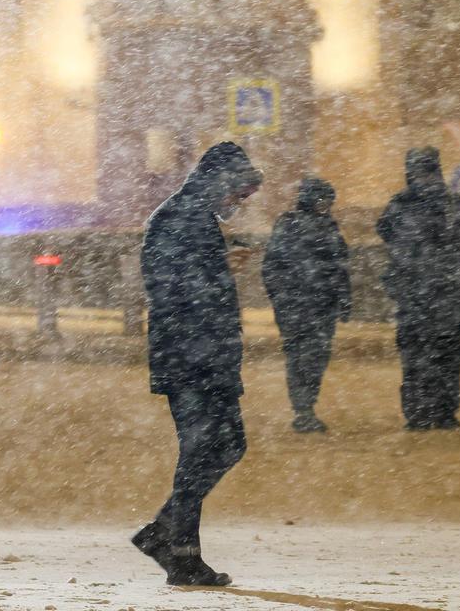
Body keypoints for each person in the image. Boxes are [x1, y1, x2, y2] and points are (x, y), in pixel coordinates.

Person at [131, 142, 263, 588]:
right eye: (236, 195)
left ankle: (164, 534)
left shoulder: (195, 216)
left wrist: (219, 267)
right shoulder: (178, 217)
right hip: (189, 355)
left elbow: (187, 278)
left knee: (225, 446)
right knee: (203, 449)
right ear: (217, 184)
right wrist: (221, 269)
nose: (237, 204)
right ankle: (180, 552)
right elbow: (167, 287)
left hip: (205, 353)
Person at [377, 147, 460, 430]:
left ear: (410, 171)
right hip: (449, 298)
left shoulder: (399, 205)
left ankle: (417, 414)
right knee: (447, 356)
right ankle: (444, 413)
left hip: (413, 299)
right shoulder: (457, 204)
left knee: (414, 357)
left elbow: (383, 232)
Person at [262, 176, 351, 433]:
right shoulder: (290, 225)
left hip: (320, 307)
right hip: (300, 308)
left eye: (328, 200)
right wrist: (283, 299)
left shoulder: (328, 227)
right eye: (322, 199)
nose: (326, 205)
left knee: (316, 358)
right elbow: (273, 268)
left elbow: (340, 269)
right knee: (302, 358)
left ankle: (306, 406)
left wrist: (343, 299)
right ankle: (303, 409)